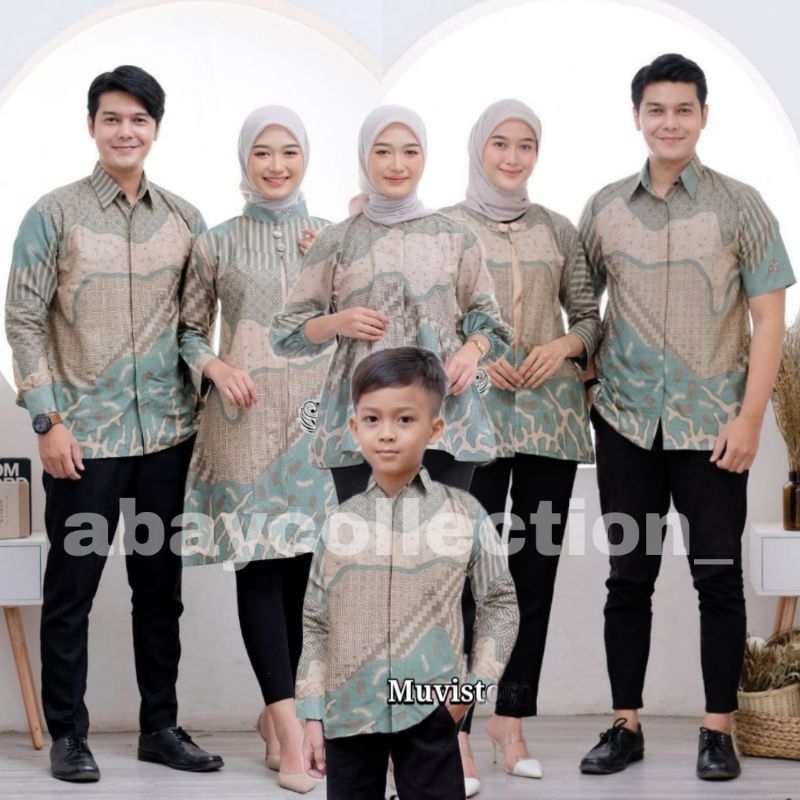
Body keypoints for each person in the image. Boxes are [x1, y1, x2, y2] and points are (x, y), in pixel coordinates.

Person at [577, 53, 795, 781]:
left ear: (703, 115)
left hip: (713, 432)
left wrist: (751, 419)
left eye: (683, 109)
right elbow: (582, 310)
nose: (669, 122)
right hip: (626, 426)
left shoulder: (742, 206)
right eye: (656, 110)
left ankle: (716, 731)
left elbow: (770, 321)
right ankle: (625, 726)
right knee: (627, 578)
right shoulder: (604, 208)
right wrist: (589, 384)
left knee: (718, 580)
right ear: (637, 116)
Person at [4, 65, 223, 782]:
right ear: (92, 125)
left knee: (160, 590)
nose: (125, 131)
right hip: (83, 441)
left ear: (155, 128)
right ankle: (69, 734)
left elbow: (197, 327)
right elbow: (22, 319)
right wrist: (46, 420)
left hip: (167, 437)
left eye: (138, 119)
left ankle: (160, 726)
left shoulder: (186, 220)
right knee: (73, 591)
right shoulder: (53, 214)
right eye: (112, 118)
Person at [442, 99, 601, 789]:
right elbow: (431, 317)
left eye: (525, 145)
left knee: (533, 575)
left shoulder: (559, 229)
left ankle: (510, 719)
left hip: (550, 422)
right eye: (500, 143)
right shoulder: (445, 227)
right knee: (462, 580)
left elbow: (589, 318)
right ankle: (454, 732)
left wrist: (562, 346)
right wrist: (480, 355)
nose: (512, 156)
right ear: (479, 148)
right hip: (470, 423)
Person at [178, 105, 335, 795]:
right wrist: (215, 367)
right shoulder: (214, 242)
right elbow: (188, 331)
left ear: (306, 158)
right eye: (263, 153)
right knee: (261, 568)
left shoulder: (332, 237)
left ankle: (282, 718)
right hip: (243, 421)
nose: (276, 165)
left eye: (289, 151)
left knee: (307, 573)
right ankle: (292, 734)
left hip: (315, 424)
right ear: (245, 160)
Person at [296, 347, 520, 800]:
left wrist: (471, 690)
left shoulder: (464, 515)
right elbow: (317, 622)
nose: (387, 433)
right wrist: (313, 714)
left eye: (404, 419)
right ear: (354, 428)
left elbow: (500, 603)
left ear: (434, 429)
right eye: (372, 419)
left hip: (430, 709)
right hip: (350, 713)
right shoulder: (339, 524)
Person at [270, 104, 513, 505]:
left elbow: (490, 323)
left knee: (441, 540)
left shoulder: (456, 237)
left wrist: (472, 352)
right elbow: (286, 334)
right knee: (365, 541)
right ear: (364, 156)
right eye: (383, 151)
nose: (397, 164)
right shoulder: (335, 240)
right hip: (360, 423)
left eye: (410, 151)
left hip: (443, 417)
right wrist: (337, 322)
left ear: (424, 157)